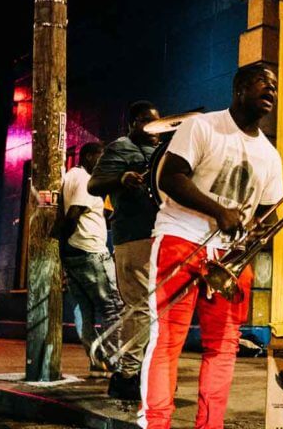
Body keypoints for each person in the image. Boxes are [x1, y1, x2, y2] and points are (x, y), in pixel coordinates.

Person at [141, 64, 283, 429]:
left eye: (275, 87)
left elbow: (266, 213)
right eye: (262, 83)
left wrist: (257, 235)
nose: (270, 90)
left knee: (223, 347)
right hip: (181, 237)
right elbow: (170, 177)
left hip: (231, 255)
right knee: (168, 340)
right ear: (238, 89)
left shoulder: (271, 155)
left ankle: (211, 425)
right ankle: (157, 423)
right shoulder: (202, 126)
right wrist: (219, 211)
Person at [88, 100, 161, 400]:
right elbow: (94, 185)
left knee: (151, 309)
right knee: (141, 307)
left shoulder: (159, 151)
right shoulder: (120, 148)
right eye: (146, 121)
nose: (153, 127)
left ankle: (138, 371)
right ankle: (126, 375)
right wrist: (121, 178)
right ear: (133, 124)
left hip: (158, 236)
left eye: (157, 122)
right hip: (132, 236)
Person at [57, 141, 124, 376]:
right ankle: (116, 364)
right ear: (87, 156)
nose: (102, 164)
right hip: (90, 251)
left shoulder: (71, 177)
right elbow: (74, 214)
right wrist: (64, 239)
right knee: (113, 307)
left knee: (85, 311)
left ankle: (97, 363)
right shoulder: (85, 180)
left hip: (74, 253)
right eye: (100, 158)